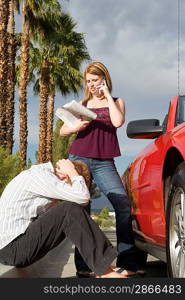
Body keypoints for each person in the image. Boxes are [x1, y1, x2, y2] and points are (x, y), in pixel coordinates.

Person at [60, 61, 147, 277]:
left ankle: (128, 262)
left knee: (122, 204)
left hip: (104, 162)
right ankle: (84, 266)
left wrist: (107, 95)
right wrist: (76, 126)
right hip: (79, 157)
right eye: (88, 81)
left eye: (95, 80)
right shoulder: (82, 103)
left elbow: (117, 122)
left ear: (104, 79)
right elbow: (63, 130)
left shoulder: (116, 101)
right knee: (82, 209)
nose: (91, 85)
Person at [0, 159, 128, 278]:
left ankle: (103, 264)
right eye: (72, 184)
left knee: (67, 210)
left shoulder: (43, 179)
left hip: (16, 248)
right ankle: (104, 270)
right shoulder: (41, 176)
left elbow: (50, 222)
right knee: (69, 209)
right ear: (65, 176)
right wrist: (72, 171)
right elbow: (83, 198)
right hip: (12, 248)